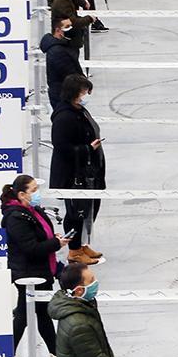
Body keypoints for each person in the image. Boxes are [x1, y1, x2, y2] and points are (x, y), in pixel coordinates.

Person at [0, 174, 67, 357]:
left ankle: (56, 354)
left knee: (41, 313)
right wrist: (56, 244)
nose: (37, 194)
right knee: (23, 315)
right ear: (21, 194)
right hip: (29, 274)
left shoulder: (31, 210)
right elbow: (30, 247)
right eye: (34, 190)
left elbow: (40, 235)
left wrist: (53, 238)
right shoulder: (15, 217)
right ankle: (7, 355)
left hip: (41, 270)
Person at [50, 74, 106, 265]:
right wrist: (88, 148)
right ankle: (74, 251)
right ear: (75, 92)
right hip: (72, 175)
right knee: (75, 212)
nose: (86, 95)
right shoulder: (64, 117)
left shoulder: (79, 109)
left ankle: (81, 244)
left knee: (87, 210)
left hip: (87, 171)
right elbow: (62, 147)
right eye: (84, 91)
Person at [41, 17, 83, 110]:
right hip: (63, 96)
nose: (70, 29)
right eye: (67, 26)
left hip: (65, 94)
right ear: (58, 30)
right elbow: (70, 73)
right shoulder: (57, 51)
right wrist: (84, 83)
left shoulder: (62, 46)